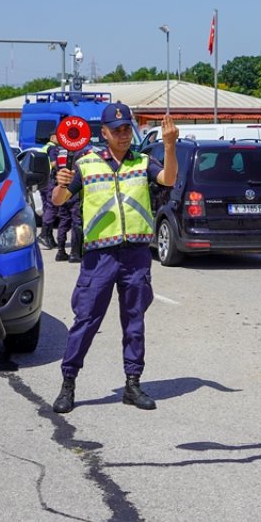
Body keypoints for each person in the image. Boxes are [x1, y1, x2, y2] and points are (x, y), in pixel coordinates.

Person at [49, 103, 178, 413]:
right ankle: (68, 384)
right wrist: (61, 182)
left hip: (135, 254)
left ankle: (132, 385)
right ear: (103, 133)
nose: (123, 135)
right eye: (116, 130)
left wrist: (170, 145)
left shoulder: (143, 162)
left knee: (134, 321)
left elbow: (169, 179)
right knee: (86, 320)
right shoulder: (86, 164)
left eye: (126, 129)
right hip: (99, 257)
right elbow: (57, 200)